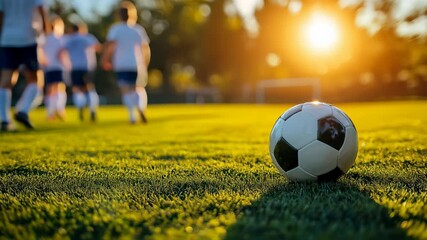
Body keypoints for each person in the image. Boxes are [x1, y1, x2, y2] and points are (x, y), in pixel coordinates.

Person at [0, 0, 48, 131]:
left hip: (7, 38)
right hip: (28, 37)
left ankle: (4, 120)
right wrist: (45, 33)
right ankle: (23, 110)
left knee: (6, 80)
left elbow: (1, 14)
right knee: (36, 80)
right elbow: (41, 11)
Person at [102, 1, 150, 124]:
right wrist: (145, 63)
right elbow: (145, 49)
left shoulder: (115, 29)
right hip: (136, 64)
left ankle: (132, 116)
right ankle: (140, 107)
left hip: (121, 64)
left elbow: (111, 46)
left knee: (125, 90)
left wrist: (105, 59)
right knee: (138, 88)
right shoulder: (138, 30)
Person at [62, 23, 100, 122]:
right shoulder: (87, 38)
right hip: (87, 66)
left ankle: (80, 107)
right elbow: (98, 47)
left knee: (77, 89)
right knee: (89, 87)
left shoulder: (68, 39)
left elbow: (61, 51)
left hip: (74, 67)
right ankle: (92, 109)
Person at [39, 16, 68, 120]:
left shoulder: (44, 39)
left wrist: (43, 62)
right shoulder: (59, 39)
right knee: (59, 88)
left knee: (50, 89)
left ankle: (50, 112)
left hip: (48, 67)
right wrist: (67, 64)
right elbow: (62, 53)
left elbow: (40, 52)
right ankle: (59, 109)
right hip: (58, 66)